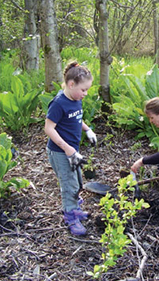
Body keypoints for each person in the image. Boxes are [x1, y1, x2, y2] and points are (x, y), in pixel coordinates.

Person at [44, 61, 97, 236]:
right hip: (60, 152)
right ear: (71, 84)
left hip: (72, 150)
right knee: (69, 184)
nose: (86, 94)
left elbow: (76, 118)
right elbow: (49, 128)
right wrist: (67, 149)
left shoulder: (75, 99)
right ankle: (70, 215)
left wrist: (87, 129)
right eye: (83, 90)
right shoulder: (59, 103)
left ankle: (73, 206)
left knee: (77, 180)